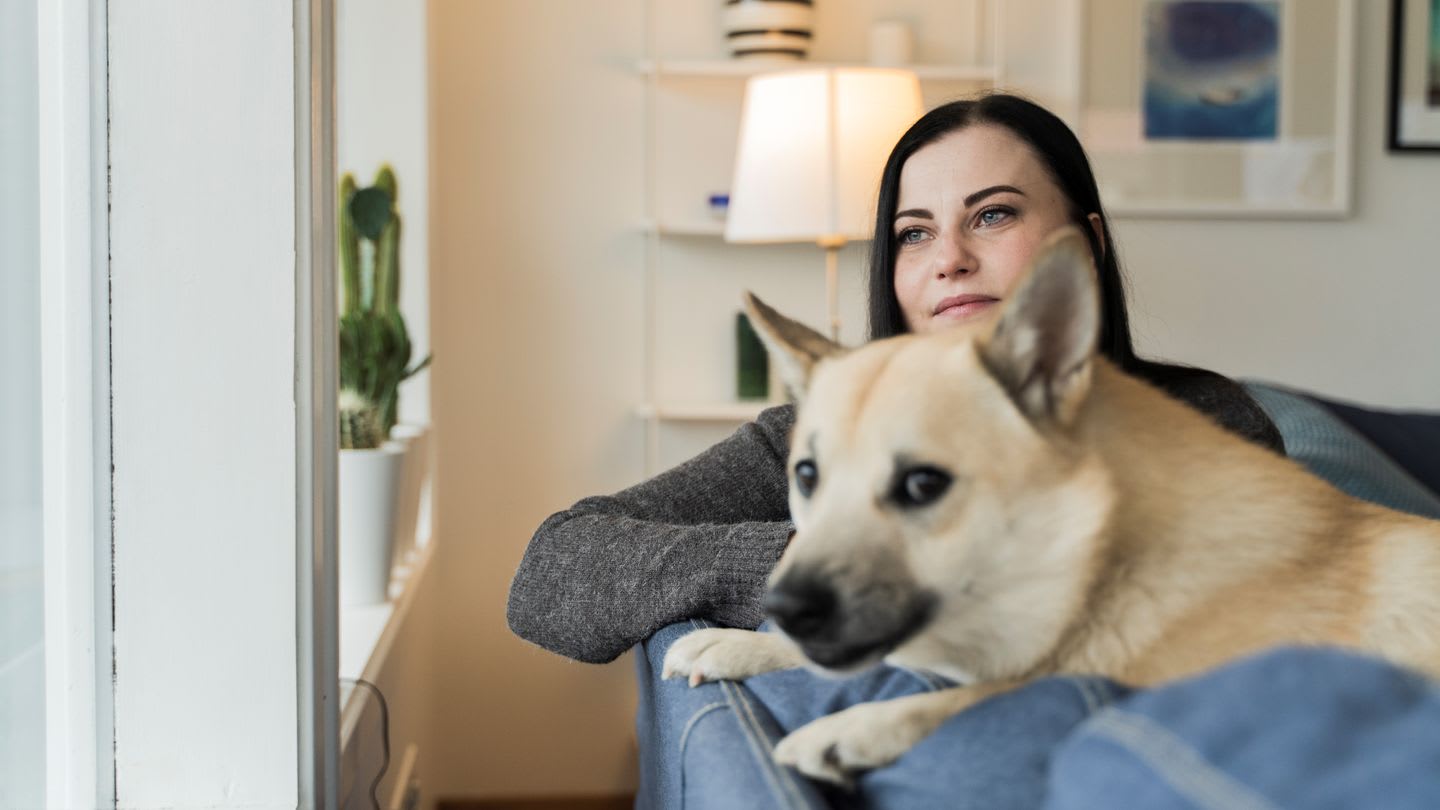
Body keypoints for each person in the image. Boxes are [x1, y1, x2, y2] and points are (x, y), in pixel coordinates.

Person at [506, 93, 1284, 666]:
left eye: (993, 215)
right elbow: (551, 574)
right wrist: (825, 560)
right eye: (914, 232)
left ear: (1087, 245)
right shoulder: (820, 432)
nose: (950, 258)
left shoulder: (1208, 420)